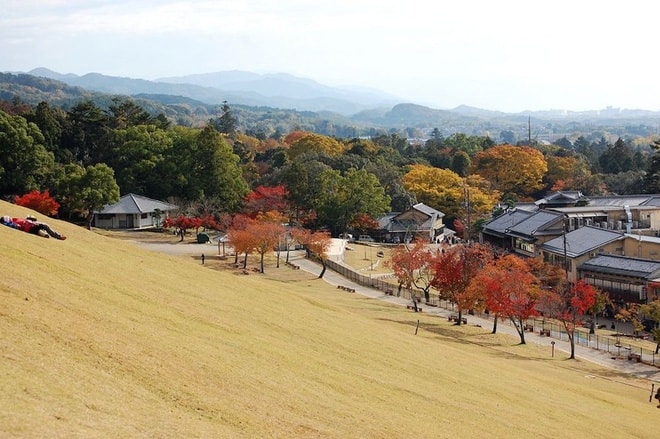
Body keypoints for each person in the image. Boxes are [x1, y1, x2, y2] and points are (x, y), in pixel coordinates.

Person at [1, 215, 66, 240]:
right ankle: (58, 236)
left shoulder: (14, 220)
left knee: (38, 230)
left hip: (30, 229)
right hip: (31, 226)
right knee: (45, 225)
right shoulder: (13, 223)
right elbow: (19, 227)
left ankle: (44, 234)